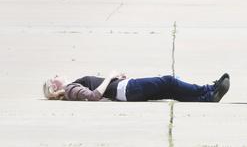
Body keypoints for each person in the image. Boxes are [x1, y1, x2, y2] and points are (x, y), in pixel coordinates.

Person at [43, 72, 230, 102]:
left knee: (169, 89)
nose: (57, 74)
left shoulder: (71, 87)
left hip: (124, 89)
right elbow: (93, 96)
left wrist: (114, 77)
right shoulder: (70, 89)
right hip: (125, 90)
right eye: (54, 77)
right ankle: (207, 89)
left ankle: (207, 97)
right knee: (168, 81)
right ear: (54, 85)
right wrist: (109, 76)